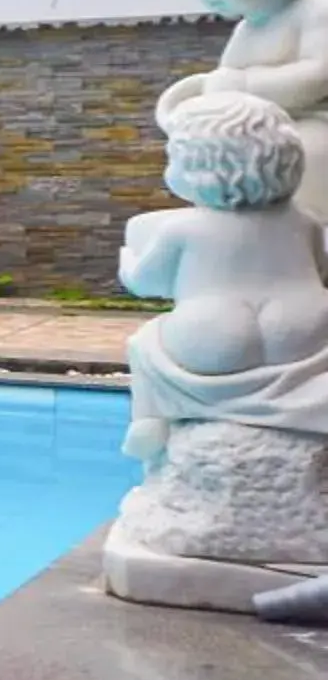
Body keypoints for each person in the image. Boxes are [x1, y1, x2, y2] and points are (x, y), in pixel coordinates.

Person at [119, 92, 328, 462]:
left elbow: (147, 283)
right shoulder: (306, 222)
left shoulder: (185, 227)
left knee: (144, 343)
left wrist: (128, 261)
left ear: (195, 166)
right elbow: (321, 270)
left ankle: (150, 419)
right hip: (304, 325)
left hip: (212, 329)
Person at [157, 0, 328, 224]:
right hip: (264, 134)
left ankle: (306, 232)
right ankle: (239, 230)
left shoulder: (317, 10)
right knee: (220, 162)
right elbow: (226, 81)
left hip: (315, 124)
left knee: (304, 154)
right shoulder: (248, 29)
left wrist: (242, 85)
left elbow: (319, 73)